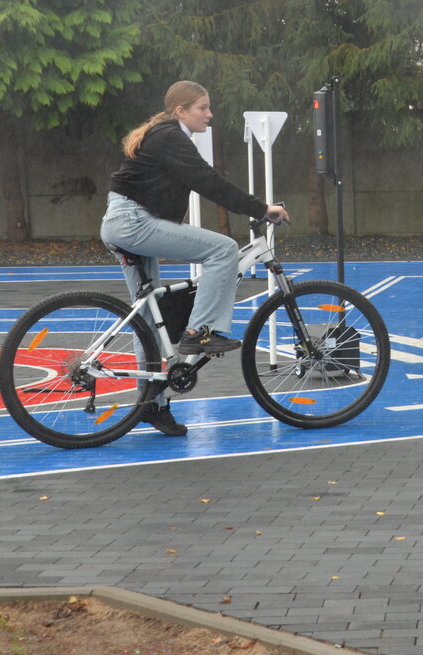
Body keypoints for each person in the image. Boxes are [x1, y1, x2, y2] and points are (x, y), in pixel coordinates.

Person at [100, 80, 289, 436]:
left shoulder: (164, 135)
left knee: (148, 321)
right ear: (180, 111)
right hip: (134, 222)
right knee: (224, 249)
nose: (209, 114)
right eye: (202, 107)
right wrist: (262, 209)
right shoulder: (171, 137)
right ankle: (198, 332)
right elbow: (208, 181)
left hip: (123, 221)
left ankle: (152, 405)